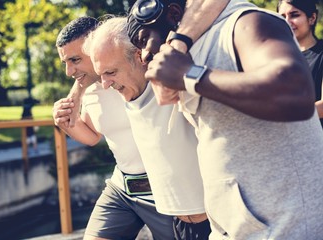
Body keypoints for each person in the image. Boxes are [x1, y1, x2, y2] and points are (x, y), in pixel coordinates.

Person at [140, 0, 323, 239]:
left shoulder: (250, 22)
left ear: (173, 13)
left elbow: (296, 94)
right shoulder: (193, 44)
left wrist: (190, 75)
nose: (144, 54)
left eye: (144, 40)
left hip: (288, 227)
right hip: (237, 228)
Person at [86, 16, 209, 240]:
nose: (105, 84)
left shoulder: (172, 78)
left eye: (111, 73)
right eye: (101, 74)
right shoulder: (126, 90)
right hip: (178, 222)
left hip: (213, 220)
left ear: (139, 56)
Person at [53, 17, 175, 240]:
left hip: (167, 190)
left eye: (75, 59)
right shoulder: (91, 91)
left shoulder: (137, 73)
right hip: (123, 190)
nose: (69, 71)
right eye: (66, 62)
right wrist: (67, 123)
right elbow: (91, 136)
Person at [277, 0, 323, 128]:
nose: (287, 21)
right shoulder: (278, 58)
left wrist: (284, 116)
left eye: (294, 15)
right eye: (282, 17)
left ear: (312, 18)